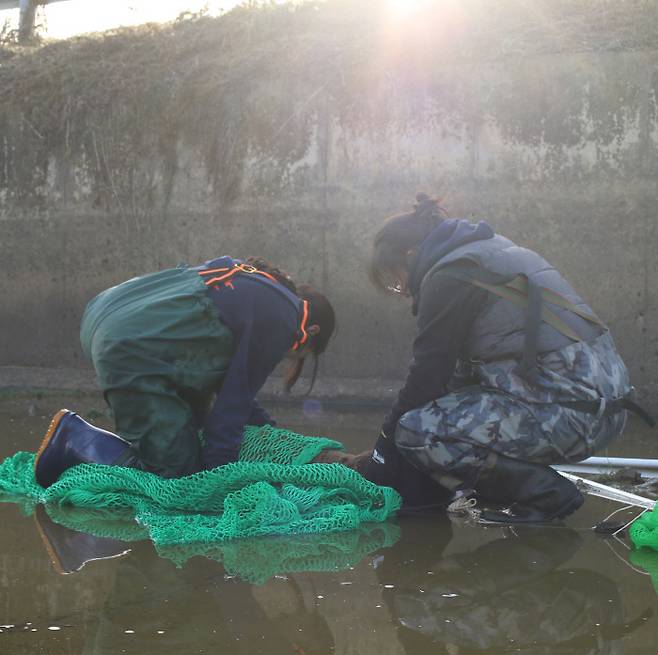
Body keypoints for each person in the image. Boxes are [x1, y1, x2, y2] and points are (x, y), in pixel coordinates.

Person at [363, 192, 653, 522]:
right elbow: (454, 381)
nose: (402, 290)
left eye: (396, 279)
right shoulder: (488, 251)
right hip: (605, 411)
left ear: (410, 254)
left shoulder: (449, 275)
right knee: (436, 414)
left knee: (417, 431)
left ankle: (544, 494)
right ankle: (525, 487)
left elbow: (427, 377)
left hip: (573, 418)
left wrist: (384, 445)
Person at [34, 256, 335, 487]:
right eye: (299, 355)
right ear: (311, 331)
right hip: (131, 349)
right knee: (178, 477)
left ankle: (130, 447)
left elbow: (232, 387)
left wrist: (269, 432)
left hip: (104, 316)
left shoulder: (248, 279)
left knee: (192, 427)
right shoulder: (284, 318)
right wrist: (216, 484)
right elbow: (230, 411)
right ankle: (76, 439)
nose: (287, 356)